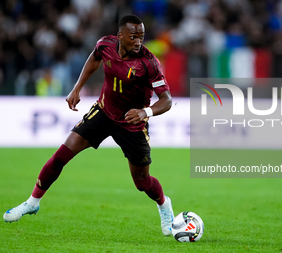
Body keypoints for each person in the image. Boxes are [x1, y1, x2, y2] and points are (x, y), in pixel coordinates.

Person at [3, 14, 174, 236]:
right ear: (120, 36)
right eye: (134, 37)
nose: (139, 41)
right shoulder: (106, 45)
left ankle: (163, 203)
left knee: (142, 182)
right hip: (103, 113)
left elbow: (167, 101)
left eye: (141, 37)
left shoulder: (149, 63)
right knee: (60, 156)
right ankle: (33, 201)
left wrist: (145, 112)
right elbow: (94, 59)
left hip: (132, 124)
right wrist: (77, 88)